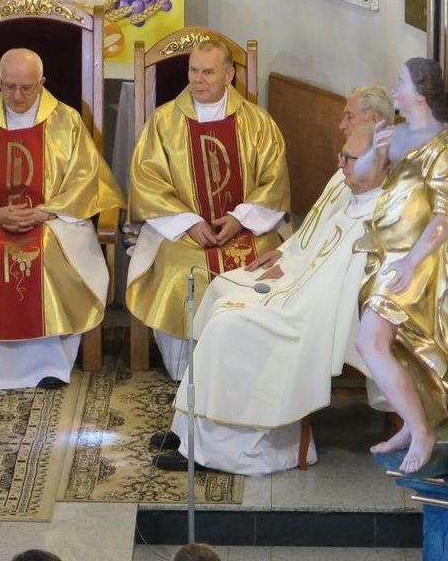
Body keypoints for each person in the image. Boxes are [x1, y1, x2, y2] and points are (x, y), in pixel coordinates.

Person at [153, 127, 383, 475]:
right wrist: (288, 269)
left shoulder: (376, 217)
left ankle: (222, 451)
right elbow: (313, 245)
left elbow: (344, 285)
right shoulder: (352, 199)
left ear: (375, 164)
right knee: (222, 304)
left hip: (309, 314)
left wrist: (288, 292)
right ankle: (191, 431)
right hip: (297, 294)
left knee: (229, 324)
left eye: (348, 159)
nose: (340, 164)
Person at [0, 48, 124, 389]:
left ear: (42, 83)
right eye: (10, 86)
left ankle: (51, 364)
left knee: (45, 249)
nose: (17, 96)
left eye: (27, 88)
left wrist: (46, 211)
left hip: (54, 221)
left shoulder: (68, 123)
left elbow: (88, 179)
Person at [127, 40, 290, 380]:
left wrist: (238, 218)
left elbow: (274, 182)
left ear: (229, 74)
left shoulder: (258, 123)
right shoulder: (164, 121)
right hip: (183, 234)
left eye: (208, 72)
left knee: (266, 263)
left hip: (247, 231)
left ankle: (250, 370)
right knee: (178, 268)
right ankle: (188, 373)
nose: (198, 80)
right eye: (193, 71)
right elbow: (147, 180)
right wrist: (188, 223)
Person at [353, 57, 448, 475]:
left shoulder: (445, 143)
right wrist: (373, 151)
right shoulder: (394, 135)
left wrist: (413, 262)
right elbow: (360, 177)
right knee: (394, 347)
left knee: (371, 343)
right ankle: (411, 425)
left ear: (421, 91)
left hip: (415, 262)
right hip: (387, 255)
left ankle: (423, 431)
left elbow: (445, 217)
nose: (394, 89)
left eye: (400, 83)